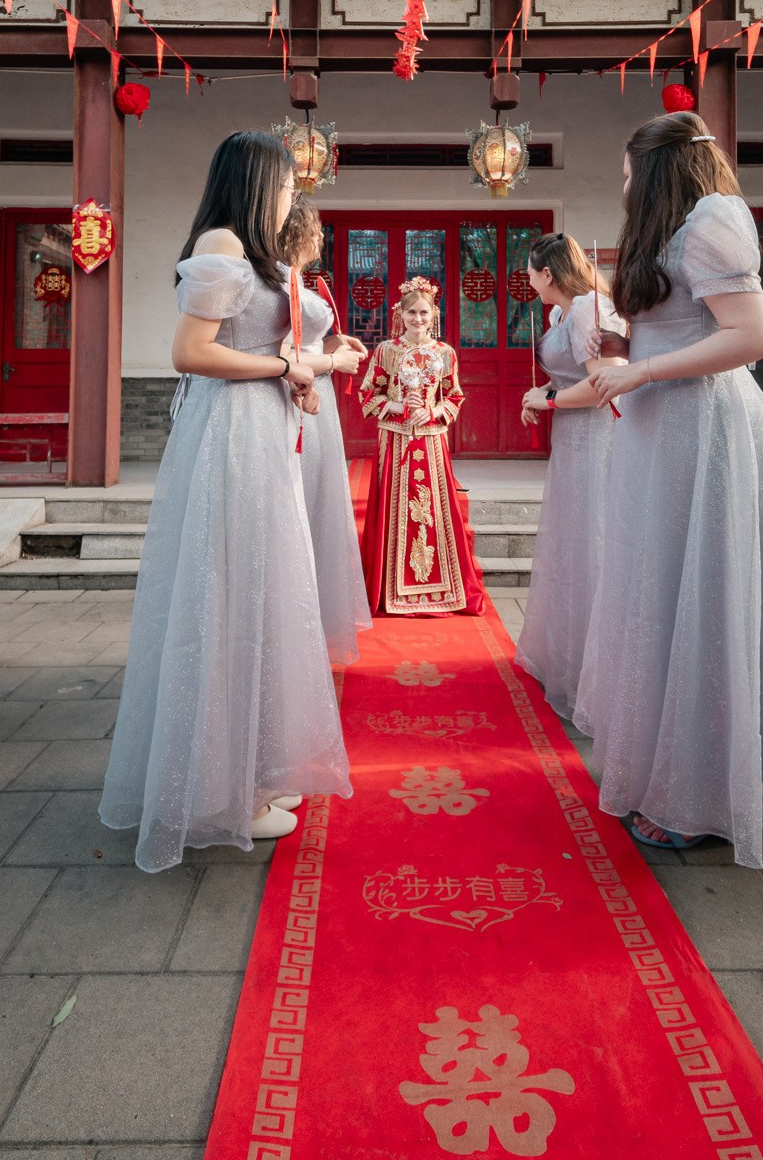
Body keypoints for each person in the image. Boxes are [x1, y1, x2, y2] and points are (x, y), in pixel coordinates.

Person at [583, 110, 763, 867]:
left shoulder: (710, 220)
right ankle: (667, 771)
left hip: (703, 431)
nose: (622, 186)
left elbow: (754, 337)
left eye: (626, 173)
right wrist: (626, 344)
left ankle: (702, 795)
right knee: (664, 601)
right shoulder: (678, 233)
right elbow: (687, 328)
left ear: (657, 172)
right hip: (664, 433)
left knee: (703, 604)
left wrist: (641, 368)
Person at [98, 131, 350, 872]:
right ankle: (225, 791)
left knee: (263, 596)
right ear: (255, 181)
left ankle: (251, 770)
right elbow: (191, 351)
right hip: (233, 437)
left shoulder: (254, 253)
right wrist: (284, 363)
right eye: (282, 183)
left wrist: (293, 376)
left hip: (261, 428)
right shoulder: (223, 242)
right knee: (232, 597)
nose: (289, 197)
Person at [513, 232, 627, 729]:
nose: (528, 279)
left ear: (548, 274)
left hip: (597, 440)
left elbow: (608, 379)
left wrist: (553, 401)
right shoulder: (562, 313)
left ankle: (600, 672)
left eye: (531, 272)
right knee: (570, 546)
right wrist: (544, 391)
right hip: (572, 443)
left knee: (596, 543)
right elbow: (569, 373)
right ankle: (568, 655)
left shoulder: (589, 309)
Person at [356, 277, 488, 616]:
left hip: (430, 441)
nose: (418, 319)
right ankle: (391, 590)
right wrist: (397, 406)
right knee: (395, 511)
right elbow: (367, 393)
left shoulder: (445, 353)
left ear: (434, 315)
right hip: (396, 439)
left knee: (432, 512)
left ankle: (438, 589)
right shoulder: (387, 350)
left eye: (424, 313)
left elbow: (455, 395)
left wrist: (433, 410)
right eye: (412, 312)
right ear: (401, 313)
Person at [280, 199, 371, 664]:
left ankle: (314, 611)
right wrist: (331, 361)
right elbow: (284, 348)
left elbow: (303, 339)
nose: (320, 239)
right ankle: (297, 613)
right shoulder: (281, 277)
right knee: (304, 499)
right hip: (305, 393)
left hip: (320, 390)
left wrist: (334, 342)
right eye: (314, 230)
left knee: (321, 496)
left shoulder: (301, 280)